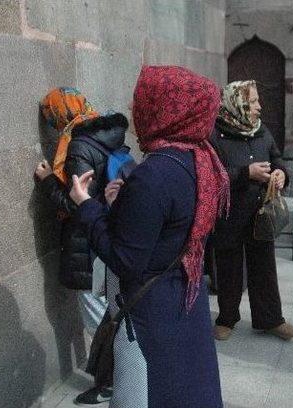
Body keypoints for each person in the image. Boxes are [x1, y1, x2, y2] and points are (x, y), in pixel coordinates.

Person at [69, 65, 228, 408]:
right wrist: (123, 205)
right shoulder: (200, 159)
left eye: (141, 101)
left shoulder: (156, 173)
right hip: (186, 298)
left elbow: (126, 260)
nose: (134, 108)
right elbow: (169, 227)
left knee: (154, 393)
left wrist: (86, 205)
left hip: (153, 315)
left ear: (165, 109)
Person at [34, 87, 129, 405]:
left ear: (62, 114)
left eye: (52, 118)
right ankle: (118, 375)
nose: (52, 126)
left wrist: (47, 180)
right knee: (109, 313)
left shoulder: (78, 145)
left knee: (99, 318)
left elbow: (77, 202)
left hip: (88, 241)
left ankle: (112, 383)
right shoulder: (106, 132)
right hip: (109, 230)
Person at [208, 80, 293, 341]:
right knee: (229, 268)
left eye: (258, 100)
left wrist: (281, 173)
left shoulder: (262, 131)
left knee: (264, 267)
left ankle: (270, 319)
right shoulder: (215, 135)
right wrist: (245, 174)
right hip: (230, 215)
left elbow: (277, 159)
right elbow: (213, 177)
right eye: (253, 102)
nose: (259, 106)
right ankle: (227, 318)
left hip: (261, 213)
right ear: (237, 104)